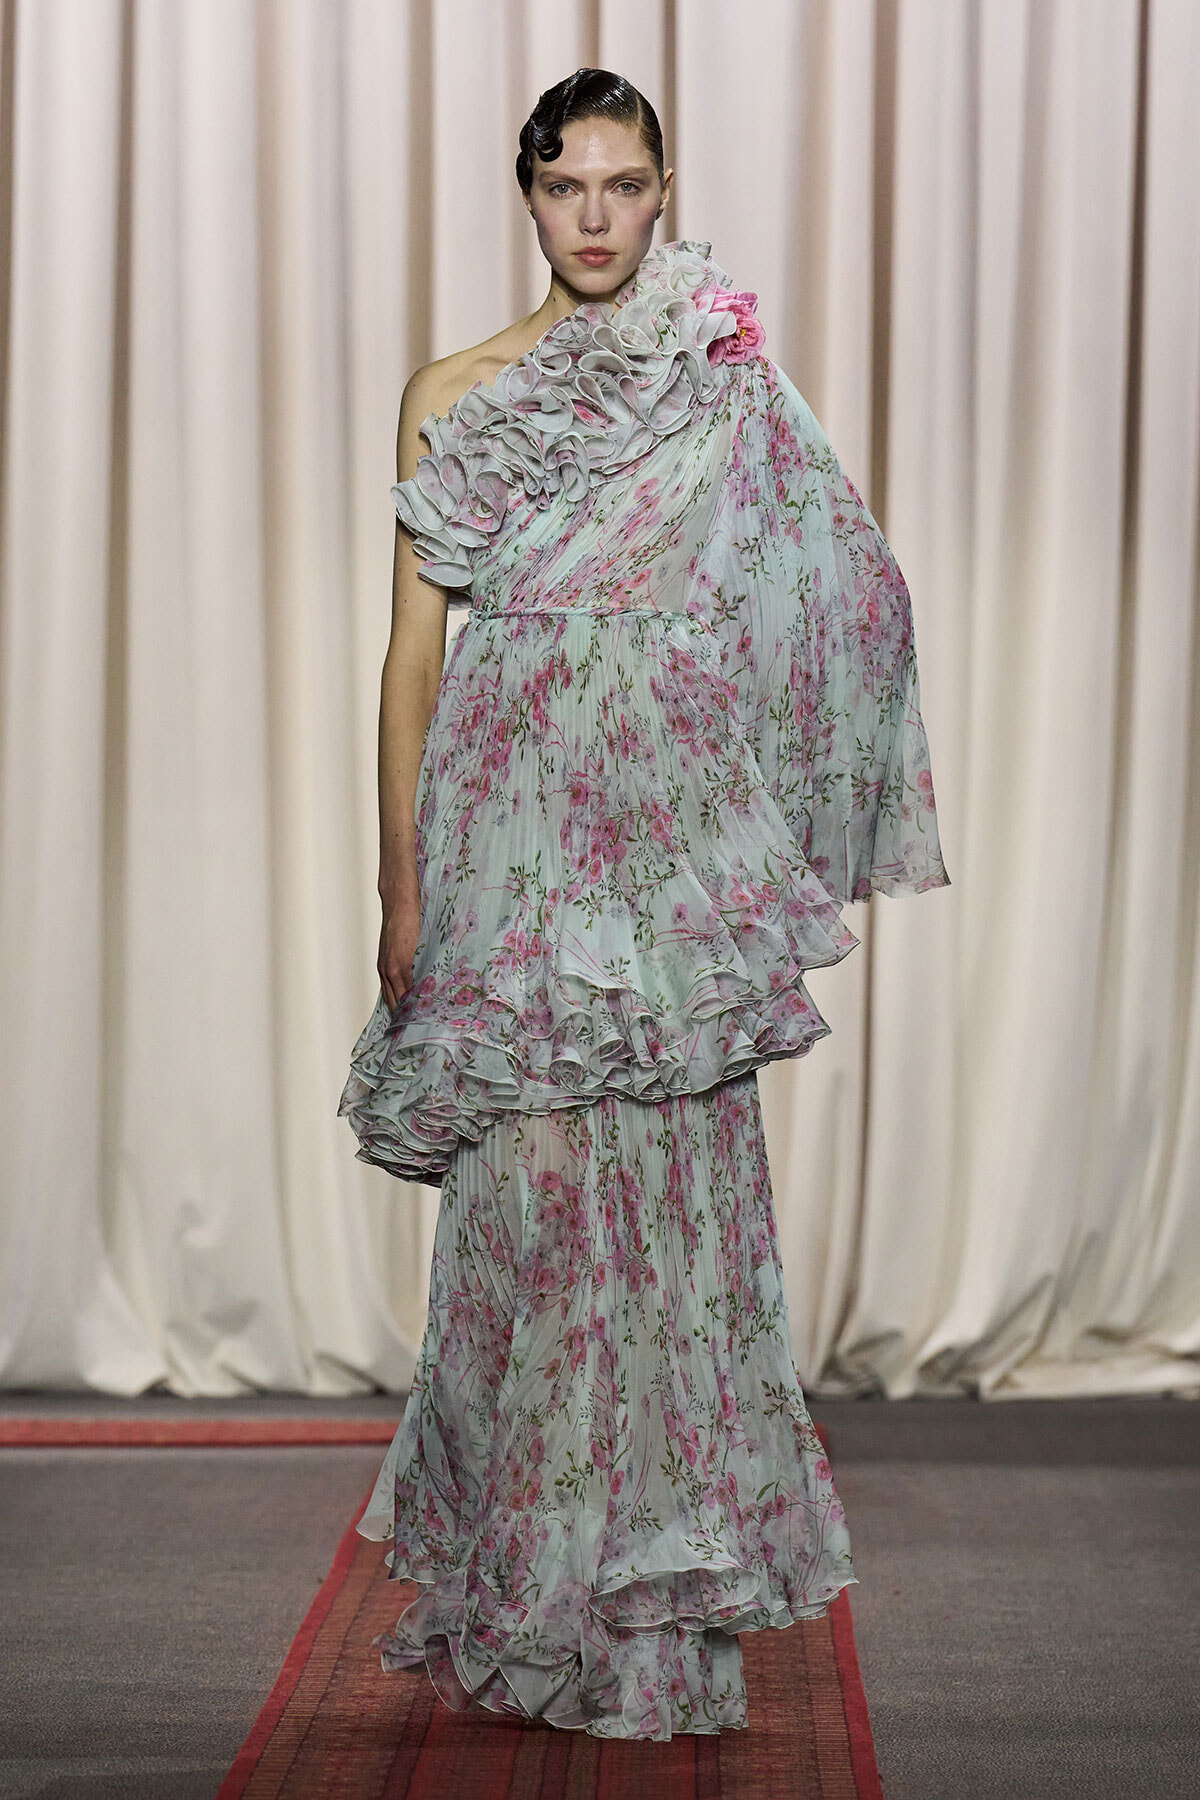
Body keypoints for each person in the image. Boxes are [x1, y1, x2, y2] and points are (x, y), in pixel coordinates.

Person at [339, 67, 949, 1741]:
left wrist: (744, 785)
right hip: (505, 848)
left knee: (673, 1235)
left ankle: (655, 1633)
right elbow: (409, 661)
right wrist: (399, 883)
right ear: (525, 197)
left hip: (661, 864)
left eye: (623, 186)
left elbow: (836, 579)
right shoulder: (453, 393)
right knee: (529, 1232)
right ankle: (526, 1604)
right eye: (566, 188)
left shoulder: (714, 367)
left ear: (663, 191)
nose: (595, 217)